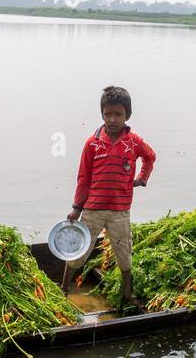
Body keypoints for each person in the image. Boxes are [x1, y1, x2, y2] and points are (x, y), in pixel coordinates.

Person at [60, 85, 156, 304]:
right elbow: (83, 178)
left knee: (124, 254)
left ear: (127, 115)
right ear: (102, 114)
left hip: (120, 211)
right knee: (79, 253)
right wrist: (77, 208)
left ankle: (127, 293)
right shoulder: (92, 144)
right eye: (108, 114)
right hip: (93, 209)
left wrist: (142, 177)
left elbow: (150, 156)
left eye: (118, 114)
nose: (112, 119)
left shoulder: (134, 142)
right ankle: (63, 288)